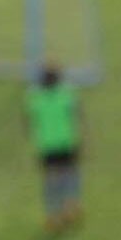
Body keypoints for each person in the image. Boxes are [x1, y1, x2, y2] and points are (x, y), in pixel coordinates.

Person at [25, 63, 84, 231]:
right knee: (70, 175)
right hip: (66, 142)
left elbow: (30, 122)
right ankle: (71, 205)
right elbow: (76, 116)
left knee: (51, 182)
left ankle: (52, 215)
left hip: (47, 146)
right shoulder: (66, 94)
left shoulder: (35, 98)